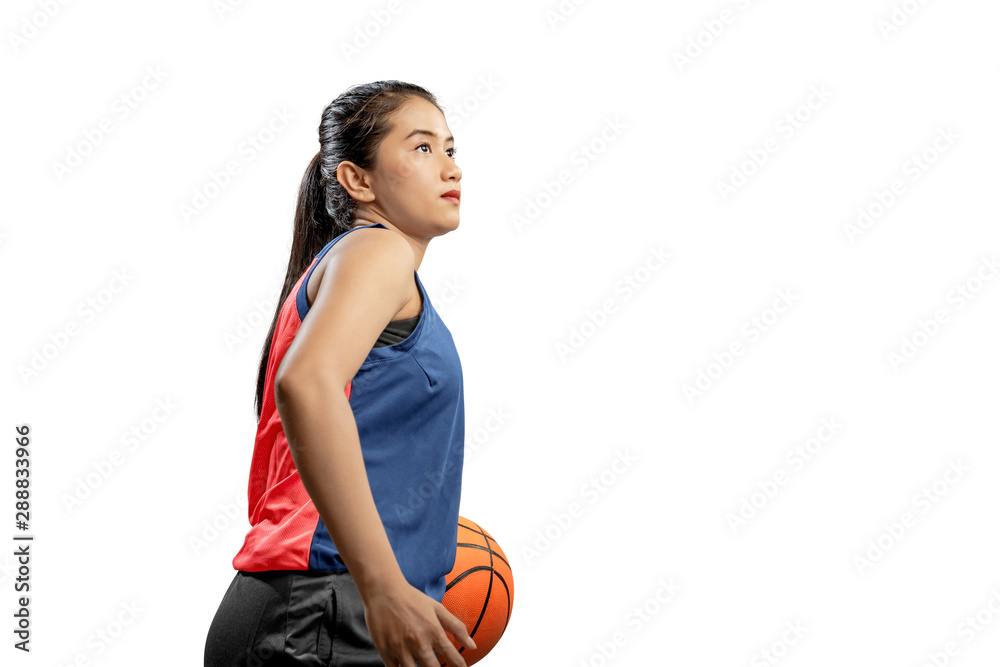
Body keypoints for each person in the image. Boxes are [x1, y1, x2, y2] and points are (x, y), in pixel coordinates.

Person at [204, 80, 475, 667]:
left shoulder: (361, 267)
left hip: (314, 609)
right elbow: (306, 384)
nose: (450, 167)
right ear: (358, 180)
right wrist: (381, 583)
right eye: (422, 148)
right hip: (321, 609)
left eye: (451, 149)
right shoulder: (377, 251)